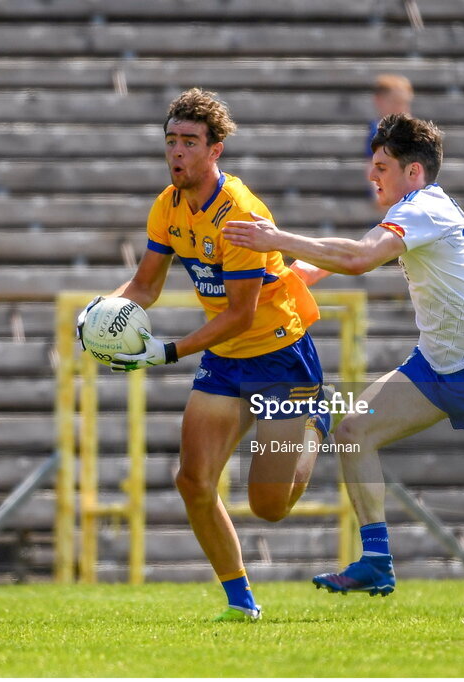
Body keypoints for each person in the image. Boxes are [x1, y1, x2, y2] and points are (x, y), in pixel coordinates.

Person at [222, 113, 464, 616]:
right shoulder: (410, 209)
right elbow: (335, 257)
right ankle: (377, 559)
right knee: (353, 431)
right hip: (433, 366)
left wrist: (275, 238)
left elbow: (358, 259)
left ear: (414, 171)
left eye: (382, 166)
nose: (373, 176)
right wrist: (282, 279)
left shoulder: (425, 206)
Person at [77, 88, 331, 622]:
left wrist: (167, 351)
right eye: (171, 141)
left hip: (279, 357)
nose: (177, 152)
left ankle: (312, 430)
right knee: (192, 481)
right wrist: (103, 311)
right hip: (225, 360)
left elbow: (239, 314)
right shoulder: (168, 207)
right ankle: (241, 603)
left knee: (270, 506)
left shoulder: (238, 214)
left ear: (215, 151)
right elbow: (145, 286)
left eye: (189, 142)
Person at [366, 74, 414, 157]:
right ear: (378, 100)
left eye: (406, 103)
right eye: (396, 102)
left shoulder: (413, 132)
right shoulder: (376, 133)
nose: (402, 109)